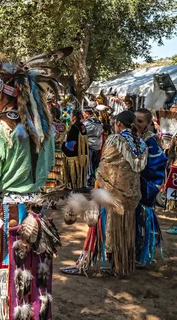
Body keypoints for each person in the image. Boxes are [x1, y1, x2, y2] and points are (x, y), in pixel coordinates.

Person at [0, 47, 67, 320]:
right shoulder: (43, 128)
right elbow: (46, 168)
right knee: (34, 273)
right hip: (36, 211)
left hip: (7, 214)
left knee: (9, 275)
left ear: (5, 93)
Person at [63, 111, 148, 278]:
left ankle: (88, 263)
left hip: (110, 195)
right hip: (130, 198)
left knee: (99, 227)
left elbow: (105, 166)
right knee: (124, 229)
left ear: (119, 124)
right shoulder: (141, 143)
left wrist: (98, 181)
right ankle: (120, 263)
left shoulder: (115, 140)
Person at [134, 108, 166, 266]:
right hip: (130, 192)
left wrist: (142, 182)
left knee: (141, 223)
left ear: (148, 123)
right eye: (134, 120)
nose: (136, 124)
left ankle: (142, 254)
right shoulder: (130, 137)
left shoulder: (151, 141)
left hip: (144, 190)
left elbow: (157, 167)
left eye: (140, 121)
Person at [62, 109, 89, 189]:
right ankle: (81, 185)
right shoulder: (82, 126)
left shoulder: (74, 127)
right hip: (83, 154)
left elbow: (70, 142)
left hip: (74, 155)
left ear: (74, 117)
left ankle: (73, 186)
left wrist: (63, 145)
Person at [83, 107, 104, 187]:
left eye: (84, 113)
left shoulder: (87, 123)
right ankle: (94, 181)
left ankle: (89, 182)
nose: (83, 115)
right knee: (95, 165)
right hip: (97, 146)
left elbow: (83, 133)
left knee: (89, 165)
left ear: (87, 113)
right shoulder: (99, 122)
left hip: (90, 146)